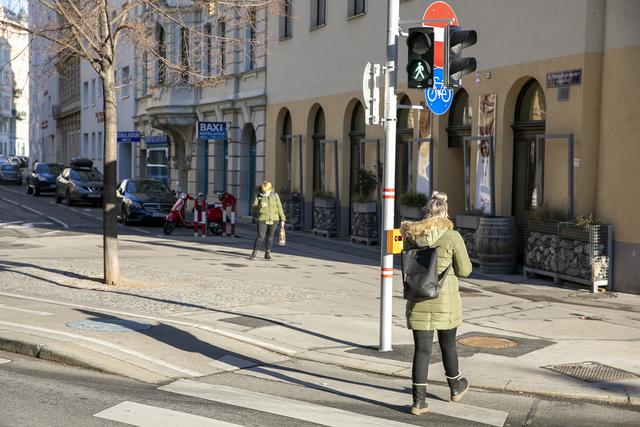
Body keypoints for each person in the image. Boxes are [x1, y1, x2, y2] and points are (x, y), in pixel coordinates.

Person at [400, 191, 472, 415]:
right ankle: (456, 386)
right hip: (444, 302)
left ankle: (418, 402)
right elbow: (465, 270)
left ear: (426, 212)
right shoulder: (452, 237)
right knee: (448, 345)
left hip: (419, 299)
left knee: (421, 350)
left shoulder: (411, 235)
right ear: (445, 213)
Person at [250, 181, 285, 260]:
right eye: (263, 192)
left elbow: (280, 208)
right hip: (262, 219)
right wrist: (259, 206)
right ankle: (254, 253)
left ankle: (267, 253)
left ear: (270, 189)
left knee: (270, 237)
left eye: (266, 192)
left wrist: (282, 219)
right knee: (260, 237)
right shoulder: (258, 195)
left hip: (274, 219)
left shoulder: (275, 196)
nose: (265, 194)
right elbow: (253, 207)